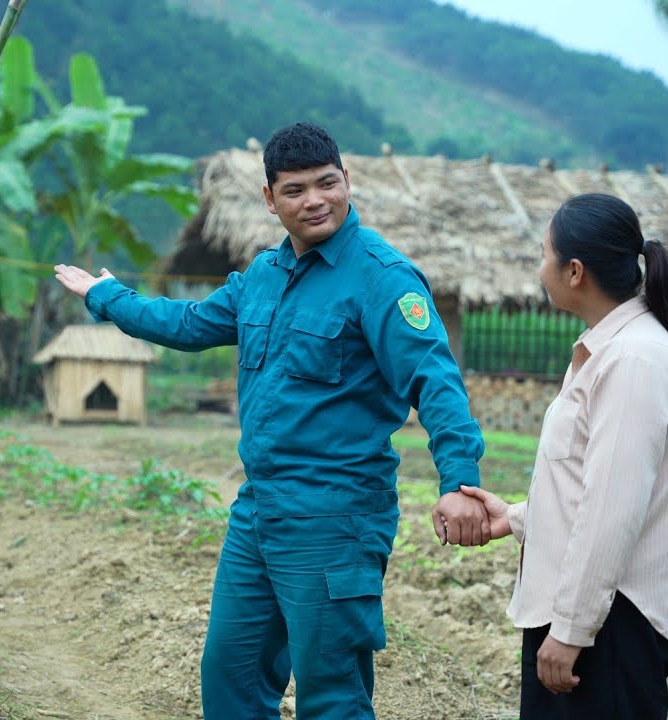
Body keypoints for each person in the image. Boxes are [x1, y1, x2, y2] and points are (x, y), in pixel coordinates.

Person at [53, 121, 488, 718]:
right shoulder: (263, 277)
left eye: (326, 184)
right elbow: (184, 323)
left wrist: (459, 481)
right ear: (270, 199)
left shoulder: (381, 278)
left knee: (331, 693)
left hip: (336, 517)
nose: (314, 200)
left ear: (346, 182)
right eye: (295, 190)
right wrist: (108, 297)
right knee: (230, 676)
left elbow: (435, 381)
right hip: (258, 511)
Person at [461, 193, 668, 719]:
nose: (540, 269)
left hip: (608, 625)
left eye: (544, 254)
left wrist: (572, 629)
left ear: (574, 271)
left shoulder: (633, 361)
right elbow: (589, 487)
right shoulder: (613, 351)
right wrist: (515, 518)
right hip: (598, 617)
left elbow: (612, 511)